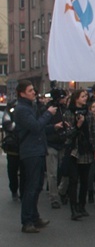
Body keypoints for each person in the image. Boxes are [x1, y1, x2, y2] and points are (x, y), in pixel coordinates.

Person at [14, 80, 57, 233]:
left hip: (38, 149)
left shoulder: (30, 106)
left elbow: (40, 128)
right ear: (22, 93)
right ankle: (27, 221)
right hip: (30, 151)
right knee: (31, 187)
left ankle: (34, 216)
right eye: (30, 90)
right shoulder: (22, 109)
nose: (34, 92)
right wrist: (48, 114)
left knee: (37, 185)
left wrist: (54, 127)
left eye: (33, 90)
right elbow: (35, 126)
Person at [63, 89, 95, 220]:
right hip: (73, 150)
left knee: (85, 180)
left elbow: (94, 132)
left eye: (86, 96)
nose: (85, 98)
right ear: (76, 98)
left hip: (86, 150)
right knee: (73, 180)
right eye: (82, 96)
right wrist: (78, 125)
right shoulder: (69, 113)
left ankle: (82, 205)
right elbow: (67, 134)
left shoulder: (88, 113)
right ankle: (73, 208)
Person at [44, 88, 71, 209]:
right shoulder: (48, 110)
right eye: (63, 97)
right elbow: (42, 126)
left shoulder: (66, 110)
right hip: (51, 144)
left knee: (66, 171)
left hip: (64, 143)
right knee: (52, 173)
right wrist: (54, 127)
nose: (65, 99)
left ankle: (62, 190)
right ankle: (54, 197)